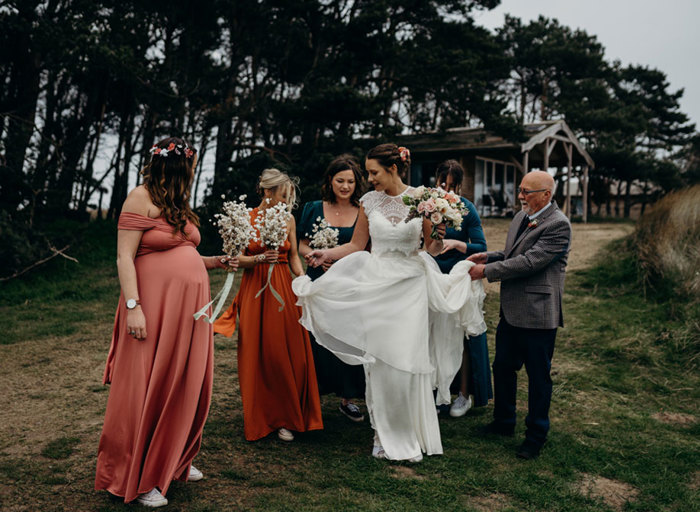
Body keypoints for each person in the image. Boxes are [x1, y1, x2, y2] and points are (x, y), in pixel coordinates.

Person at [293, 144, 485, 462]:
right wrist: (326, 254)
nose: (368, 179)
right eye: (368, 173)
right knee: (380, 360)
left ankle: (411, 431)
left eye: (373, 172)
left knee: (409, 359)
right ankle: (381, 434)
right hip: (377, 281)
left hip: (411, 284)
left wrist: (439, 225)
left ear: (393, 169)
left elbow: (432, 248)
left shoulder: (424, 197)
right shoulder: (369, 202)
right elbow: (357, 245)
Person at [95, 137, 238, 508]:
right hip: (153, 307)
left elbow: (184, 252)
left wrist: (217, 261)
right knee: (146, 385)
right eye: (183, 167)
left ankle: (174, 458)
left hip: (188, 311)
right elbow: (125, 258)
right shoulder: (139, 197)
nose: (186, 173)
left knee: (186, 379)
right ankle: (139, 477)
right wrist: (133, 307)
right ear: (168, 167)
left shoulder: (178, 204)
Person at [467, 170, 571, 460]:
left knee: (538, 378)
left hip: (539, 314)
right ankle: (504, 422)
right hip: (511, 312)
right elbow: (514, 253)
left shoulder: (559, 225)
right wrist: (488, 256)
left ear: (546, 195)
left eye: (527, 192)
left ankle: (536, 436)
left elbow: (529, 262)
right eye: (521, 190)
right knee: (502, 367)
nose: (521, 196)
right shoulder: (521, 217)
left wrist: (486, 272)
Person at [214, 168, 323, 443]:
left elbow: (293, 255)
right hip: (254, 290)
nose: (286, 202)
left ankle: (287, 417)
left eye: (289, 197)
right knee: (256, 353)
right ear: (266, 191)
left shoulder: (288, 218)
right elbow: (236, 259)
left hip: (283, 290)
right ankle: (262, 417)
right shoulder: (245, 217)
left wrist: (304, 279)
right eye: (282, 195)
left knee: (286, 353)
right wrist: (261, 258)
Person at [297, 155, 367, 422]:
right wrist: (314, 254)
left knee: (347, 338)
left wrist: (335, 258)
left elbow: (364, 247)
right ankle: (313, 396)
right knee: (315, 340)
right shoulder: (314, 207)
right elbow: (301, 244)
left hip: (349, 284)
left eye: (350, 181)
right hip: (318, 282)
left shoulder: (363, 211)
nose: (345, 186)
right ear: (330, 180)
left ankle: (347, 399)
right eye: (340, 180)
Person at [431, 160, 492, 417]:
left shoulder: (467, 209)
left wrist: (457, 243)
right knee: (430, 334)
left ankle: (463, 394)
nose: (447, 189)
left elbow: (481, 246)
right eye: (442, 184)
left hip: (457, 278)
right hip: (431, 276)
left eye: (453, 185)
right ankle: (431, 391)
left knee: (462, 336)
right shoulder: (424, 205)